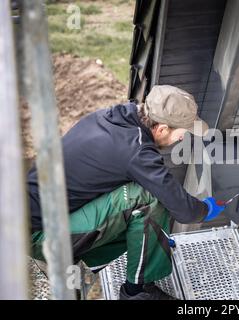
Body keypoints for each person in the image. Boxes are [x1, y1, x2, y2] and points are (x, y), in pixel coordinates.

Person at [27, 85, 225, 300]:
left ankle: (79, 267)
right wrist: (205, 209)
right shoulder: (136, 150)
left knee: (143, 214)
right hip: (42, 235)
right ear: (162, 129)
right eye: (183, 134)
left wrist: (153, 238)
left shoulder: (112, 118)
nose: (182, 139)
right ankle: (136, 293)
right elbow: (184, 211)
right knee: (148, 198)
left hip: (36, 217)